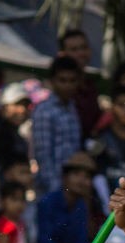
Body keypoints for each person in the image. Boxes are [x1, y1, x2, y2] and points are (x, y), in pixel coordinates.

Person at [32, 56, 82, 196]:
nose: (67, 86)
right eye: (62, 80)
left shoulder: (72, 107)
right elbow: (43, 156)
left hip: (73, 189)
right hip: (53, 190)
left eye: (72, 81)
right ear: (53, 81)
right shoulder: (44, 110)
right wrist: (57, 193)